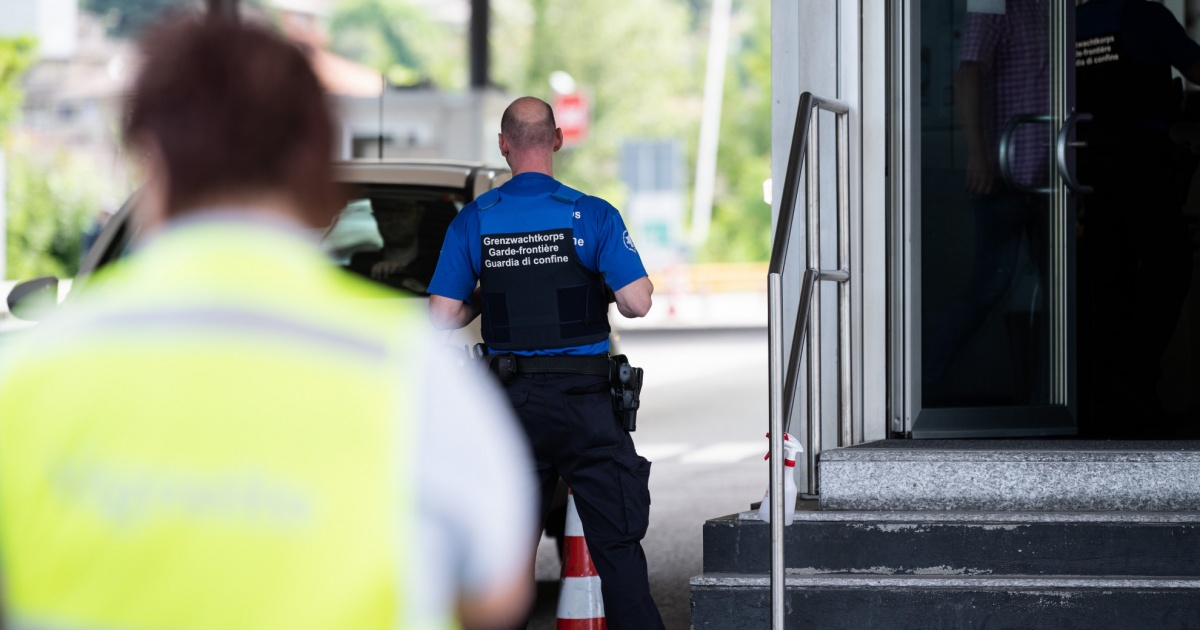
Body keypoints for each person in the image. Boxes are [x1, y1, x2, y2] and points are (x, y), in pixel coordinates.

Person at [0, 15, 536, 630]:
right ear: (315, 165)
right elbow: (497, 592)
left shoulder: (34, 375)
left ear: (151, 157)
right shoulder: (407, 374)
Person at [428, 96, 664, 630]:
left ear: (503, 145)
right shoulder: (593, 214)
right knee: (617, 550)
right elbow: (638, 303)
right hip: (586, 408)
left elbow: (442, 314)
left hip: (510, 407)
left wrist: (489, 297)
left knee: (505, 558)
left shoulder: (476, 220)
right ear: (556, 139)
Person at [1075, 0, 1200, 438]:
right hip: (1143, 164)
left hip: (1089, 165)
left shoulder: (1072, 23)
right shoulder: (1148, 16)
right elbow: (1196, 68)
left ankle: (1113, 399)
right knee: (1170, 266)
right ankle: (1134, 383)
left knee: (1110, 283)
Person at [924, 0, 1052, 406]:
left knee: (1056, 293)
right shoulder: (995, 3)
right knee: (988, 287)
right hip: (1006, 172)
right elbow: (968, 75)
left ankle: (1043, 400)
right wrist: (979, 156)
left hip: (1050, 175)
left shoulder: (1051, 8)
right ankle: (923, 393)